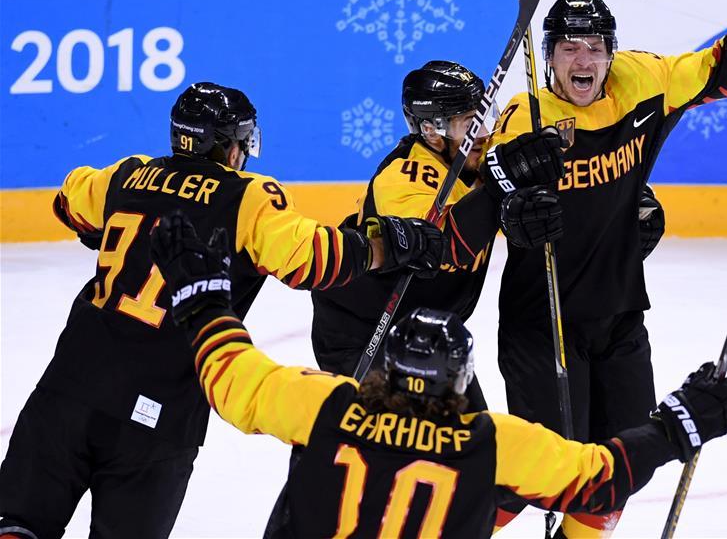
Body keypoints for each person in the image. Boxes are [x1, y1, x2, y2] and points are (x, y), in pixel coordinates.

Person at [0, 82, 445, 539]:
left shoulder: (127, 175)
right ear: (231, 146)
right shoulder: (245, 197)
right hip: (158, 415)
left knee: (17, 526)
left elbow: (69, 200)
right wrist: (390, 244)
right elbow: (313, 259)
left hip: (67, 389)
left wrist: (103, 225)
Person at [148, 212, 727, 538]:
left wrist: (202, 303)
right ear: (460, 380)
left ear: (386, 367)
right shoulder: (491, 441)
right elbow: (599, 480)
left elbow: (230, 377)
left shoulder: (325, 404)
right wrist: (678, 426)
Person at [488, 0, 727, 537]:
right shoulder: (525, 117)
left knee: (627, 461)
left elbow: (711, 70)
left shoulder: (642, 82)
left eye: (595, 47)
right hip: (543, 322)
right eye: (569, 47)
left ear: (612, 52)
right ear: (549, 56)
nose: (583, 59)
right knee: (539, 470)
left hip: (620, 313)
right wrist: (515, 207)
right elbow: (493, 185)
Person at [310, 60, 568, 404]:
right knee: (398, 435)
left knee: (472, 432)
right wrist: (499, 187)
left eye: (485, 116)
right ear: (431, 131)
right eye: (469, 123)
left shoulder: (477, 158)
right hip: (364, 332)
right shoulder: (402, 178)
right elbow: (441, 248)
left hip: (429, 331)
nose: (483, 132)